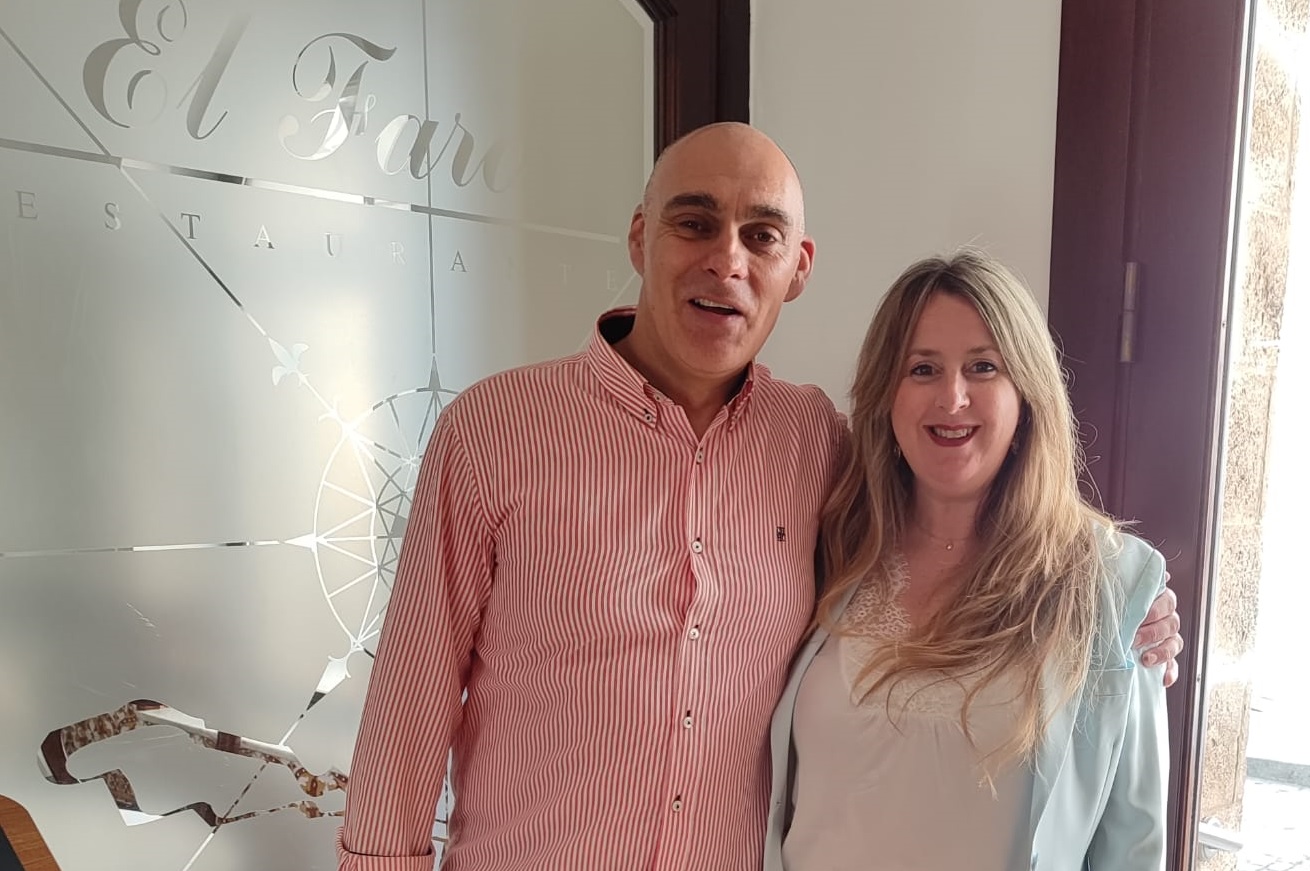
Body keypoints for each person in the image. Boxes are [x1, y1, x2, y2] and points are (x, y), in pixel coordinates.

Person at [336, 123, 1183, 870]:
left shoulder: (815, 443)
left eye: (761, 235)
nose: (727, 260)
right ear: (639, 237)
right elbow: (409, 703)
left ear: (797, 267)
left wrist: (1125, 596)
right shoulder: (496, 430)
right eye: (694, 222)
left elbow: (967, 482)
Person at [764, 250, 1169, 871]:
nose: (952, 398)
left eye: (983, 367)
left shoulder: (1109, 585)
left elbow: (1133, 845)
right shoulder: (831, 544)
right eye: (922, 369)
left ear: (1026, 393)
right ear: (886, 395)